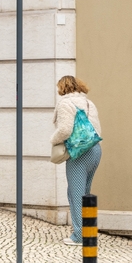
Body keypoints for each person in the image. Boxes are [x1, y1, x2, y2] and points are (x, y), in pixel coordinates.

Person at [50, 75, 102, 246]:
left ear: (62, 87)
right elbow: (97, 129)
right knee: (85, 193)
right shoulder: (89, 103)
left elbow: (65, 130)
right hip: (95, 151)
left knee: (75, 194)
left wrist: (53, 140)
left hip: (80, 154)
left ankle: (80, 236)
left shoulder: (66, 104)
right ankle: (88, 233)